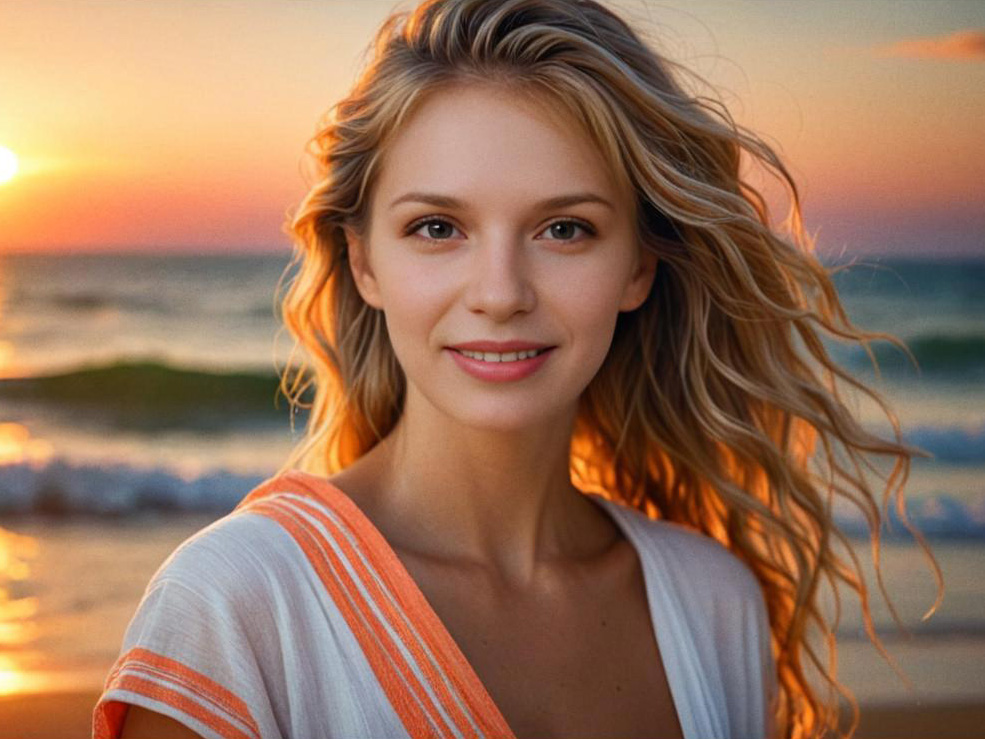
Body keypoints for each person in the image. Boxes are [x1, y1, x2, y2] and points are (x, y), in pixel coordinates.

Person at [92, 1, 942, 738]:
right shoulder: (236, 605)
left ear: (638, 268)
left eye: (564, 228)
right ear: (364, 264)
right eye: (436, 228)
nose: (499, 293)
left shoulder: (713, 602)